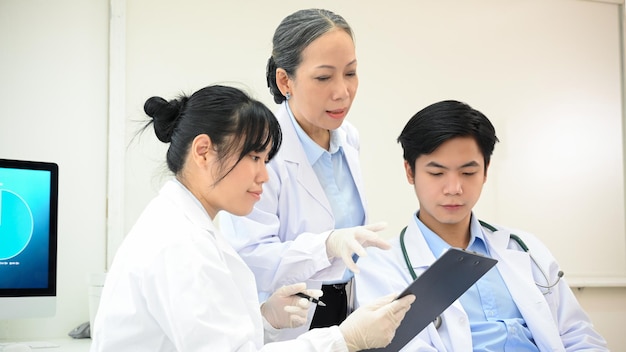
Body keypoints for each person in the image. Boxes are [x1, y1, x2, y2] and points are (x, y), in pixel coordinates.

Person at [90, 84, 415, 352]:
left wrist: (265, 320)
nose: (264, 175)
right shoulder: (181, 244)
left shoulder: (187, 225)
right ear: (203, 151)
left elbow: (214, 338)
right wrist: (344, 338)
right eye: (254, 157)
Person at [354, 100, 609, 351]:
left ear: (486, 171)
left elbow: (579, 336)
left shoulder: (524, 248)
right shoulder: (381, 267)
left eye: (468, 173)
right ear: (410, 172)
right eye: (437, 173)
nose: (454, 189)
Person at [218, 9, 389, 340]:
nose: (342, 92)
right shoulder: (258, 152)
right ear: (286, 81)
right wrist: (324, 245)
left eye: (351, 73)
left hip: (348, 308)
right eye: (324, 78)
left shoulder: (348, 137)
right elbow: (248, 256)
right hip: (290, 320)